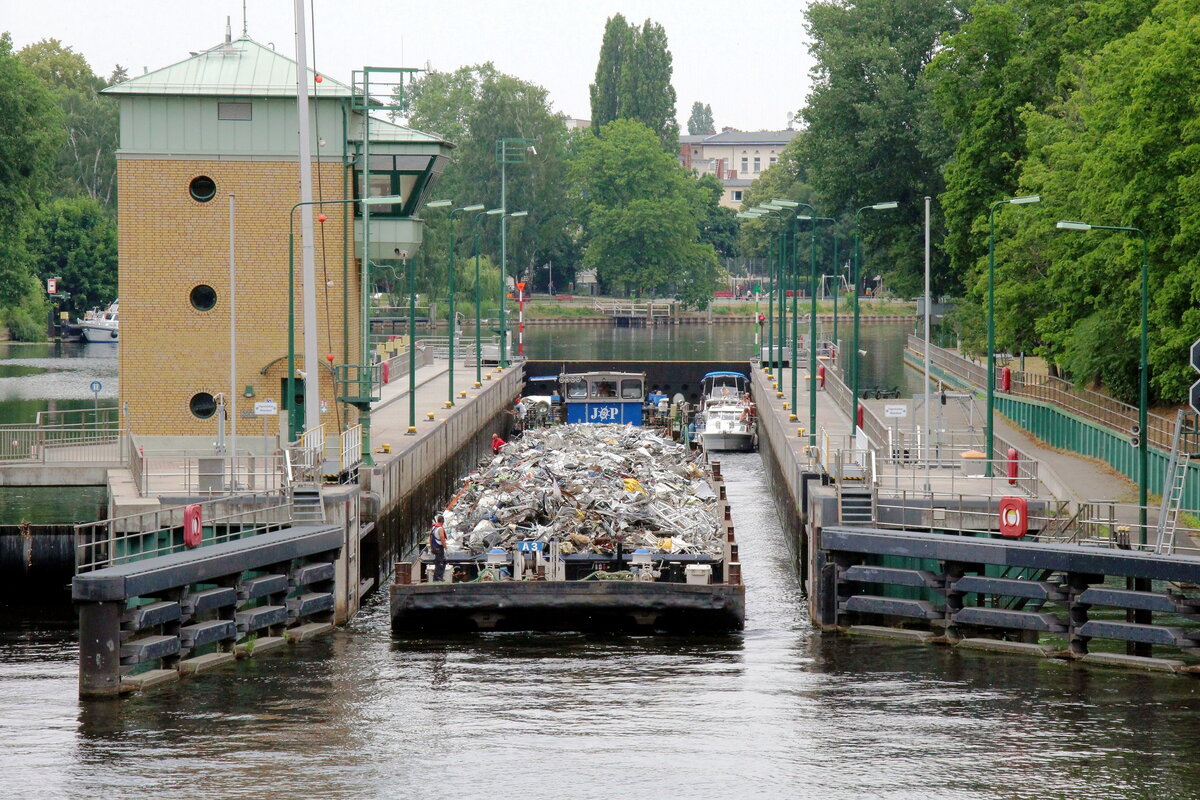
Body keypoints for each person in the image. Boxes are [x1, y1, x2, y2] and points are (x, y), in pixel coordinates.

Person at [430, 513, 448, 582]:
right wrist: (445, 547)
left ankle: (437, 577)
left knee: (438, 562)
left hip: (434, 547)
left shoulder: (434, 527)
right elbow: (442, 538)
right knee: (441, 562)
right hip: (439, 548)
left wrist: (431, 548)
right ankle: (438, 578)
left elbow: (431, 538)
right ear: (442, 521)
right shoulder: (440, 528)